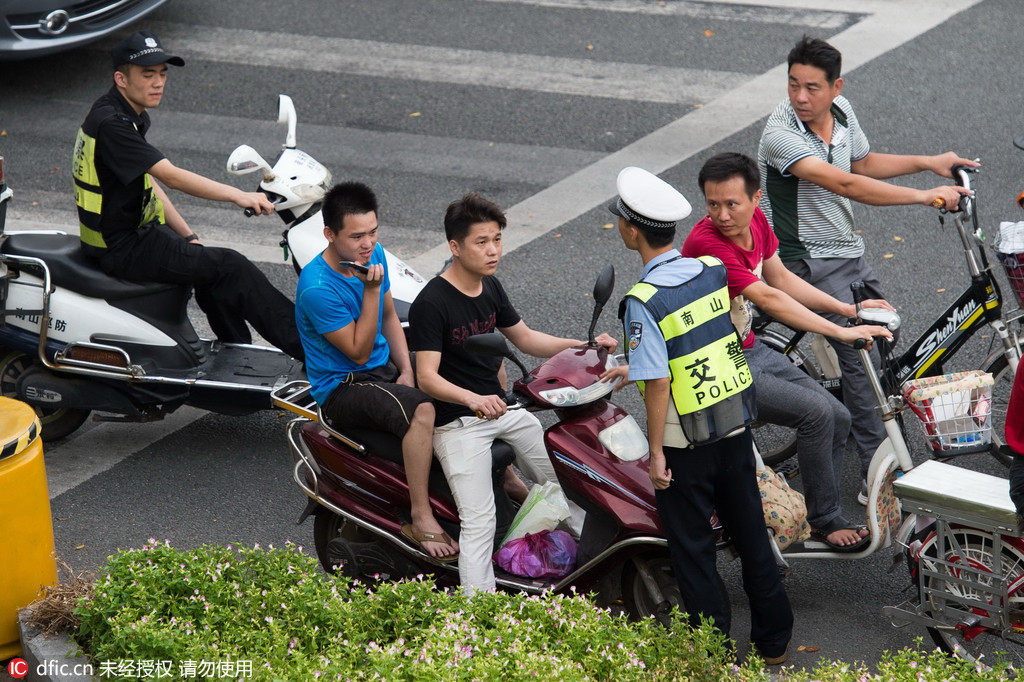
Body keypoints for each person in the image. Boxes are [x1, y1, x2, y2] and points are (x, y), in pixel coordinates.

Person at [758, 36, 976, 500]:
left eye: (812, 87)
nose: (800, 96)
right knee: (863, 357)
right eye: (793, 85)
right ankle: (878, 476)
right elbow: (846, 183)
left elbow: (860, 163)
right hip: (801, 258)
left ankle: (858, 421)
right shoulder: (781, 134)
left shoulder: (842, 113)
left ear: (836, 87)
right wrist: (924, 196)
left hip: (843, 249)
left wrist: (928, 164)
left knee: (885, 334)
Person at [603, 166, 792, 664]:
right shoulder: (710, 269)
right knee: (751, 533)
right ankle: (774, 642)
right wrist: (632, 365)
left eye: (621, 222)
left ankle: (714, 654)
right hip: (732, 425)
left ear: (632, 229)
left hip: (684, 445)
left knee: (694, 553)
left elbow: (661, 381)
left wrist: (657, 453)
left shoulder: (643, 300)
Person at [681, 152, 893, 551]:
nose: (722, 215)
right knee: (816, 415)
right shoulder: (708, 244)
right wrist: (841, 331)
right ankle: (825, 519)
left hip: (747, 346)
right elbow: (768, 298)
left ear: (755, 199)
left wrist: (850, 310)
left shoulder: (757, 223)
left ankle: (820, 513)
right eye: (713, 205)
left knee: (840, 414)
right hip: (717, 364)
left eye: (731, 204)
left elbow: (778, 277)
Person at [408, 192, 617, 595]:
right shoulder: (431, 303)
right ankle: (477, 612)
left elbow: (524, 338)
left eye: (497, 239)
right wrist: (472, 399)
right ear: (455, 246)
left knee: (569, 477)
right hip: (458, 424)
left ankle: (597, 567)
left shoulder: (490, 287)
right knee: (480, 520)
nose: (493, 250)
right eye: (481, 242)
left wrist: (584, 348)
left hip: (502, 410)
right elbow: (427, 378)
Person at [72, 30, 303, 358]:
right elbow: (170, 176)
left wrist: (188, 235)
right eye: (147, 74)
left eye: (162, 74)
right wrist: (238, 195)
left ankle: (236, 353)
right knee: (232, 266)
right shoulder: (114, 125)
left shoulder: (116, 112)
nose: (158, 82)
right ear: (121, 79)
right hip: (124, 247)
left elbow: (148, 182)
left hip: (126, 235)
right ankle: (314, 353)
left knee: (210, 266)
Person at [294, 182, 457, 561]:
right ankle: (420, 515)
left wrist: (407, 370)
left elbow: (389, 317)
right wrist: (370, 290)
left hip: (383, 369)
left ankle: (508, 481)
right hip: (343, 386)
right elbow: (357, 350)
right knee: (423, 410)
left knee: (469, 364)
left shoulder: (372, 254)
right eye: (356, 237)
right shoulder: (317, 288)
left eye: (373, 233)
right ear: (329, 235)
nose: (367, 244)